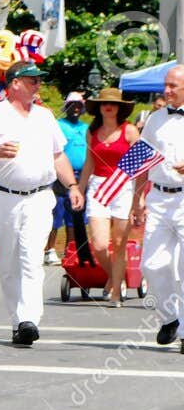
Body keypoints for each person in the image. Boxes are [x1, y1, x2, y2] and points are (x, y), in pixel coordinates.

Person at [0, 62, 83, 345]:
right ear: (15, 83)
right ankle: (18, 320)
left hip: (39, 197)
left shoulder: (44, 117)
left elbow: (58, 156)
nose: (37, 84)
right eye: (32, 80)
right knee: (8, 263)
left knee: (31, 258)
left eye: (39, 80)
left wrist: (72, 185)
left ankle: (29, 319)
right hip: (5, 197)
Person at [132, 65, 184, 349]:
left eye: (173, 86)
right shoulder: (154, 119)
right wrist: (137, 198)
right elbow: (141, 160)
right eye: (166, 85)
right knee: (151, 265)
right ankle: (170, 317)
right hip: (159, 198)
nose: (167, 90)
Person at [77, 87, 140, 307]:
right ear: (99, 107)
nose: (108, 106)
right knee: (100, 244)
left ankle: (115, 293)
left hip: (123, 186)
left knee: (120, 242)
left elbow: (139, 169)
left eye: (113, 103)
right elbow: (88, 163)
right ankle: (115, 278)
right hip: (98, 187)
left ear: (121, 108)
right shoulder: (91, 132)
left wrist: (138, 200)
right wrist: (79, 189)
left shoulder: (130, 131)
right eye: (104, 103)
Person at [48, 91, 88, 262]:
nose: (76, 109)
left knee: (75, 215)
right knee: (56, 212)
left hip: (80, 176)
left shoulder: (85, 128)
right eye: (72, 105)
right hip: (60, 175)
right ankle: (49, 250)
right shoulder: (58, 125)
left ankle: (70, 251)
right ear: (67, 107)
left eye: (79, 105)